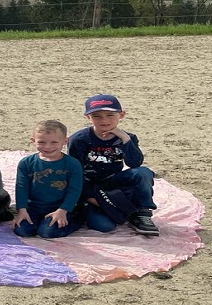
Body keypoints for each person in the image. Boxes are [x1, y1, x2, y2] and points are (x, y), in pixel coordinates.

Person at [67, 94, 159, 236]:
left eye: (110, 115)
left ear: (121, 115)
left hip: (113, 181)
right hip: (89, 186)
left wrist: (125, 138)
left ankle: (142, 214)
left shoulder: (128, 137)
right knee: (105, 226)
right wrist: (91, 198)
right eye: (97, 116)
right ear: (88, 117)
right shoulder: (79, 139)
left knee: (142, 172)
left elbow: (134, 163)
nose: (104, 120)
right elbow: (74, 172)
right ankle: (85, 209)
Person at [12, 120, 83, 238]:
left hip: (59, 206)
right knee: (22, 230)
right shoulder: (26, 163)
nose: (48, 147)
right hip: (34, 206)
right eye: (42, 142)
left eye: (54, 142)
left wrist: (63, 211)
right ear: (33, 141)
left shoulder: (73, 164)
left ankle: (75, 220)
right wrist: (22, 210)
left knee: (47, 232)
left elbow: (75, 190)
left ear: (65, 141)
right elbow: (21, 187)